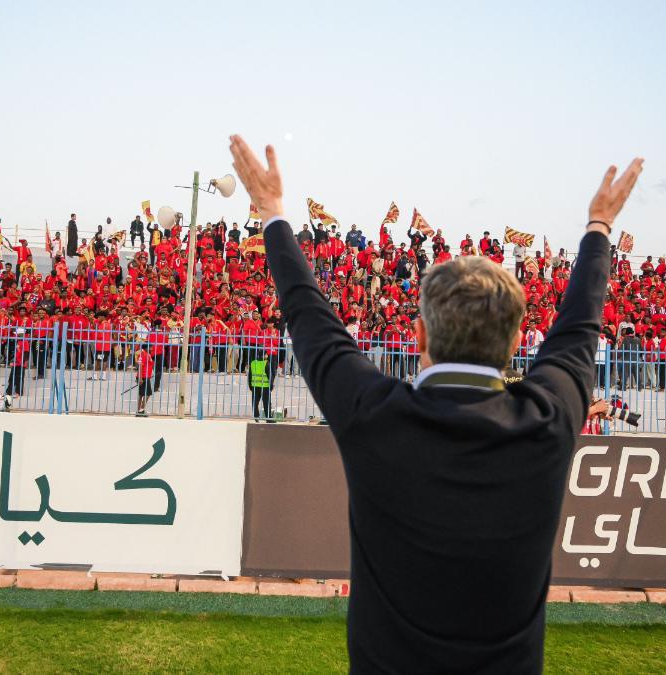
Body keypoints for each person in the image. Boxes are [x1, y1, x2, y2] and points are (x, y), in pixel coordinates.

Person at [228, 134, 642, 671]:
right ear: (518, 343)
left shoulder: (376, 415)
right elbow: (580, 327)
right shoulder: (547, 419)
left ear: (418, 335)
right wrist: (599, 225)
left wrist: (274, 212)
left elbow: (309, 317)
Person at [248, 351, 274, 420]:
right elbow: (270, 376)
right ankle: (268, 418)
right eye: (266, 355)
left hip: (255, 386)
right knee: (266, 403)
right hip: (265, 387)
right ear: (263, 356)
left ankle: (256, 417)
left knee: (255, 403)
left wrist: (250, 386)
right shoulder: (266, 363)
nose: (267, 356)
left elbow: (250, 376)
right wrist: (271, 386)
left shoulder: (253, 363)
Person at [135, 342, 154, 416]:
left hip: (145, 376)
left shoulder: (147, 354)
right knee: (148, 393)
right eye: (150, 347)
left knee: (142, 394)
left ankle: (139, 410)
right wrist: (140, 378)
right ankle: (141, 410)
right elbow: (140, 366)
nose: (152, 349)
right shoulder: (143, 354)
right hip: (143, 377)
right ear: (146, 348)